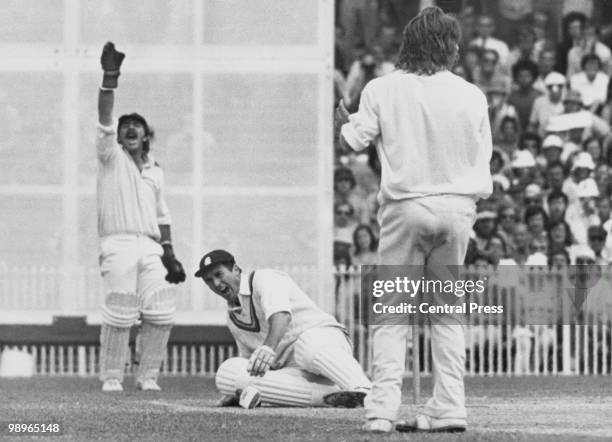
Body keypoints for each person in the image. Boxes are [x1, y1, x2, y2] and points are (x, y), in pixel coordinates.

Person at [335, 7, 492, 434]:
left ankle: (383, 410)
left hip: (407, 205)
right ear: (447, 45)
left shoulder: (382, 88)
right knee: (446, 314)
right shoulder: (472, 93)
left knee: (392, 312)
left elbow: (352, 140)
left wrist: (341, 122)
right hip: (459, 207)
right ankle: (450, 408)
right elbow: (484, 159)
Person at [95, 42, 186, 392]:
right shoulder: (110, 158)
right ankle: (113, 376)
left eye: (137, 126)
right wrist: (109, 78)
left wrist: (170, 252)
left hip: (150, 246)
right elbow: (104, 117)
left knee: (161, 310)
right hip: (117, 241)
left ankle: (148, 375)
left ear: (146, 135)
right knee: (120, 310)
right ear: (118, 136)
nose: (130, 129)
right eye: (125, 126)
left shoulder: (155, 171)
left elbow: (163, 215)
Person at [194, 249, 372, 408]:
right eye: (209, 280)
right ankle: (329, 396)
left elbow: (281, 315)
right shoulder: (232, 318)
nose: (216, 283)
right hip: (295, 372)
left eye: (219, 274)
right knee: (229, 372)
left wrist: (267, 348)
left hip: (325, 343)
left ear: (235, 269)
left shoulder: (264, 278)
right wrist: (240, 388)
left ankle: (363, 389)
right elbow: (249, 361)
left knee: (307, 346)